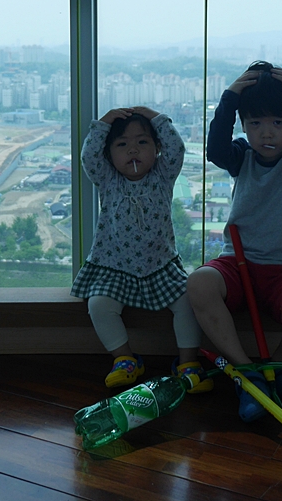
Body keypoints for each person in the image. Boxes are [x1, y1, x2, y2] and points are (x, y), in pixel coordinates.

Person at [187, 62, 282, 421]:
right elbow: (215, 149)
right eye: (255, 123)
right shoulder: (241, 156)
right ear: (243, 125)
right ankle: (246, 373)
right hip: (236, 264)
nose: (266, 133)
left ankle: (280, 365)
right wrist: (230, 98)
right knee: (199, 282)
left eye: (278, 123)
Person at [71, 106, 212, 393]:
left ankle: (188, 362)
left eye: (142, 142)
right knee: (98, 306)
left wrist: (156, 117)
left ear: (157, 149)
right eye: (122, 144)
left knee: (188, 303)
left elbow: (177, 149)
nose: (133, 150)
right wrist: (103, 123)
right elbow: (88, 157)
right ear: (109, 154)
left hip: (160, 266)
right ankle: (125, 359)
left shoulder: (163, 176)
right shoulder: (107, 180)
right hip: (114, 268)